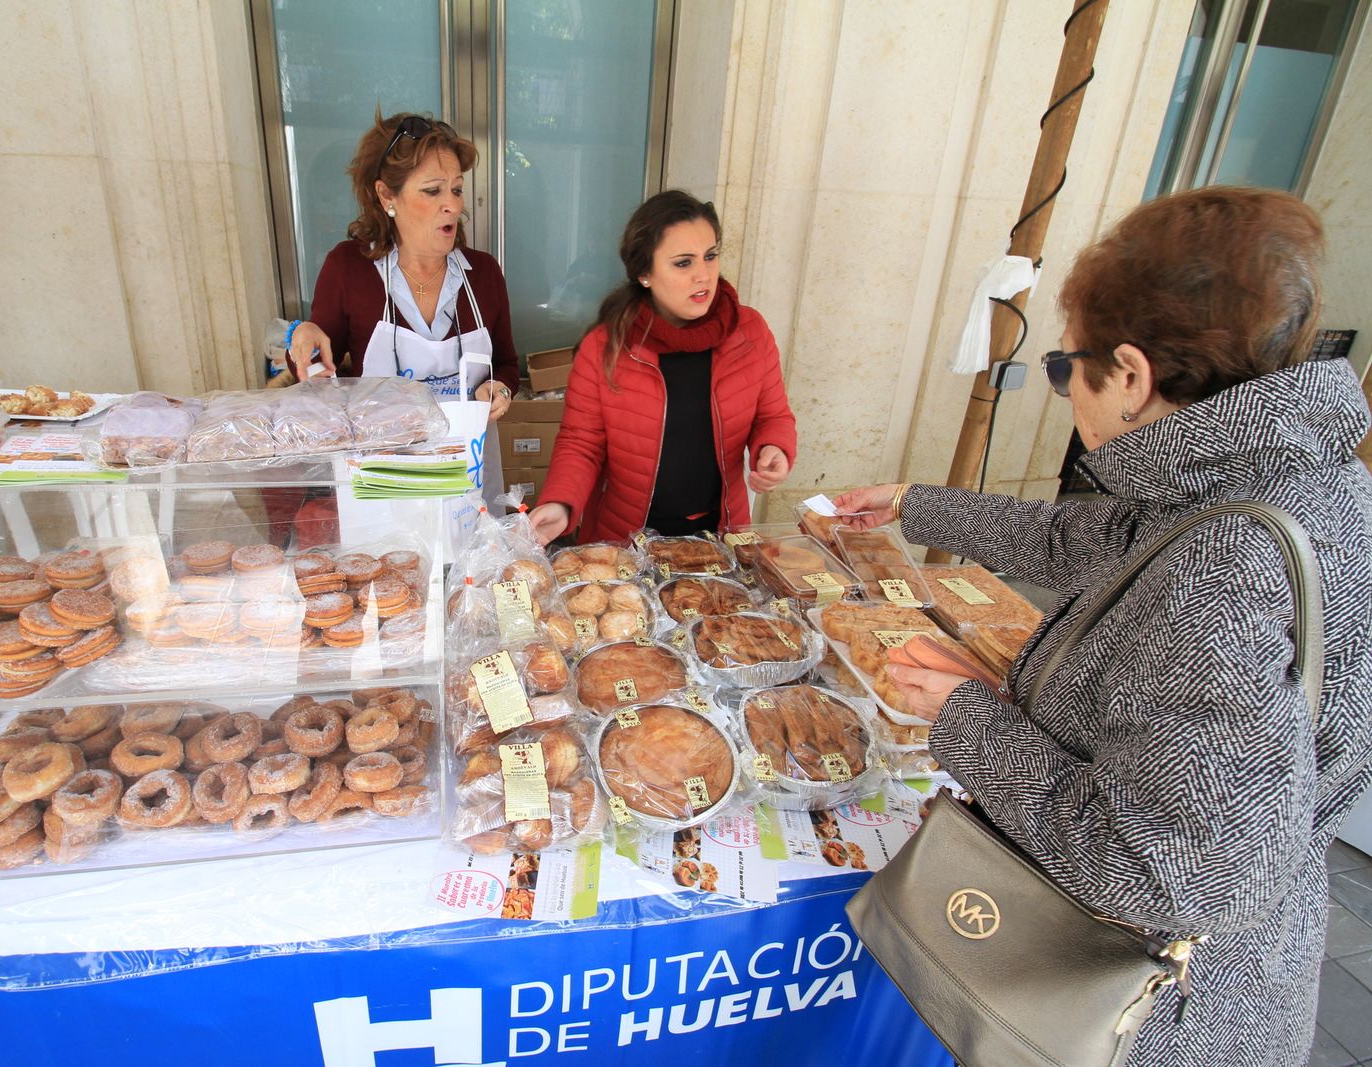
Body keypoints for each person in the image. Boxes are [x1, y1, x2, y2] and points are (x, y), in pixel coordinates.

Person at [833, 187, 1372, 1067]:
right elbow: (1085, 538)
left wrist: (971, 714)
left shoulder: (1223, 565)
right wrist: (909, 503)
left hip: (1139, 1014)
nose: (1062, 391)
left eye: (1063, 368)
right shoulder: (1306, 478)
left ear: (1130, 374)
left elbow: (1166, 867)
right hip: (1246, 968)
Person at [528, 191, 796, 544]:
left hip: (721, 538)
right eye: (683, 263)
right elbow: (581, 443)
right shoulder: (605, 346)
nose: (703, 275)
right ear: (645, 273)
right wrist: (561, 503)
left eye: (710, 256)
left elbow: (773, 415)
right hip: (625, 541)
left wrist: (773, 448)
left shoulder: (749, 332)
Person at [283, 111, 519, 414]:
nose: (453, 205)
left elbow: (506, 365)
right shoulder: (349, 269)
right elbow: (318, 370)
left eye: (457, 189)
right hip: (381, 458)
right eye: (433, 190)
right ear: (386, 196)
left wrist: (499, 388)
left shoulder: (484, 274)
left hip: (468, 456)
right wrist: (306, 338)